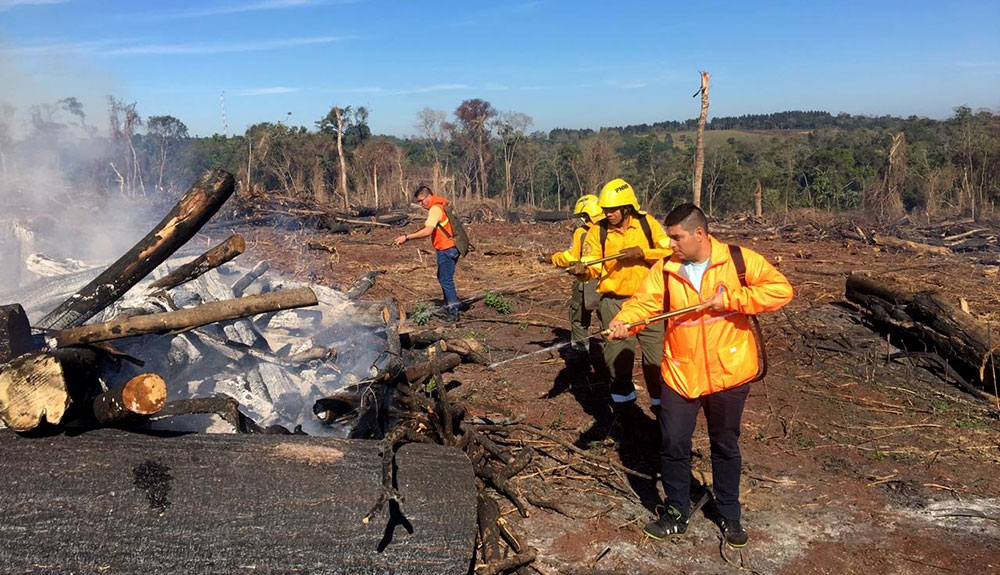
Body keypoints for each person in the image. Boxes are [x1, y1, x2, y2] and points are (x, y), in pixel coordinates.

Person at [607, 203, 792, 548]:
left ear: (699, 234)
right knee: (673, 442)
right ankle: (676, 512)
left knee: (725, 445)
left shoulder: (738, 260)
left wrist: (733, 300)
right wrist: (625, 321)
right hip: (680, 373)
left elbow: (781, 290)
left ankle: (729, 512)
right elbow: (643, 304)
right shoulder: (665, 269)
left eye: (676, 238)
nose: (670, 244)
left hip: (730, 373)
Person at [567, 178, 671, 427]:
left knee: (656, 360)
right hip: (613, 303)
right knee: (617, 364)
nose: (607, 214)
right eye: (604, 210)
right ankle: (626, 415)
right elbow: (592, 265)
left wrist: (643, 253)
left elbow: (670, 252)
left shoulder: (648, 224)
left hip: (649, 303)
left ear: (627, 208)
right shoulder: (599, 230)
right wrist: (582, 271)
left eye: (612, 210)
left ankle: (662, 412)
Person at [394, 184, 461, 322]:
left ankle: (453, 313)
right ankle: (448, 307)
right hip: (452, 247)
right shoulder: (442, 203)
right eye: (418, 202)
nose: (420, 204)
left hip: (446, 248)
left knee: (446, 280)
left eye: (421, 200)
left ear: (428, 196)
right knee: (443, 277)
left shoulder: (435, 209)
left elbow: (427, 231)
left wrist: (407, 237)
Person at [549, 194, 604, 357]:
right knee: (608, 318)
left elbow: (571, 257)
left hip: (586, 279)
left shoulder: (581, 232)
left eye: (582, 216)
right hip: (609, 281)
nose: (581, 219)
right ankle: (611, 351)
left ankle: (580, 350)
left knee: (579, 315)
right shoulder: (611, 229)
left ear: (587, 214)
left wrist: (553, 258)